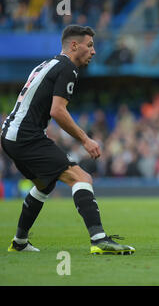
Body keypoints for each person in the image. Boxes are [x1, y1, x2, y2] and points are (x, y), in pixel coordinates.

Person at [1, 25, 135, 255]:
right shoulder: (68, 68)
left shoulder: (48, 63)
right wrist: (86, 139)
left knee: (44, 184)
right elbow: (57, 111)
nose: (93, 51)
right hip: (25, 136)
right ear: (74, 45)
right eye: (90, 45)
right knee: (81, 177)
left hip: (11, 134)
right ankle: (99, 239)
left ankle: (20, 242)